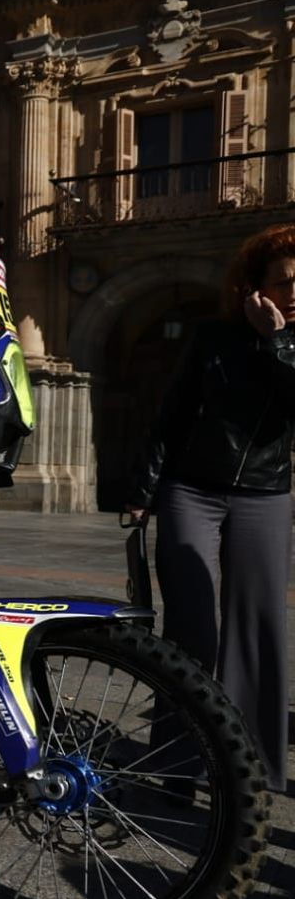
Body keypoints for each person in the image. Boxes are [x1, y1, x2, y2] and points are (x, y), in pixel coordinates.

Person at [128, 221, 295, 794]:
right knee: (190, 626)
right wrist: (142, 489)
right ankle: (178, 761)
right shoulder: (212, 337)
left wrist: (277, 342)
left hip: (266, 493)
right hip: (191, 488)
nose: (294, 292)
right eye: (284, 282)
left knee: (258, 625)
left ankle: (251, 767)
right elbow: (172, 413)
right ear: (253, 286)